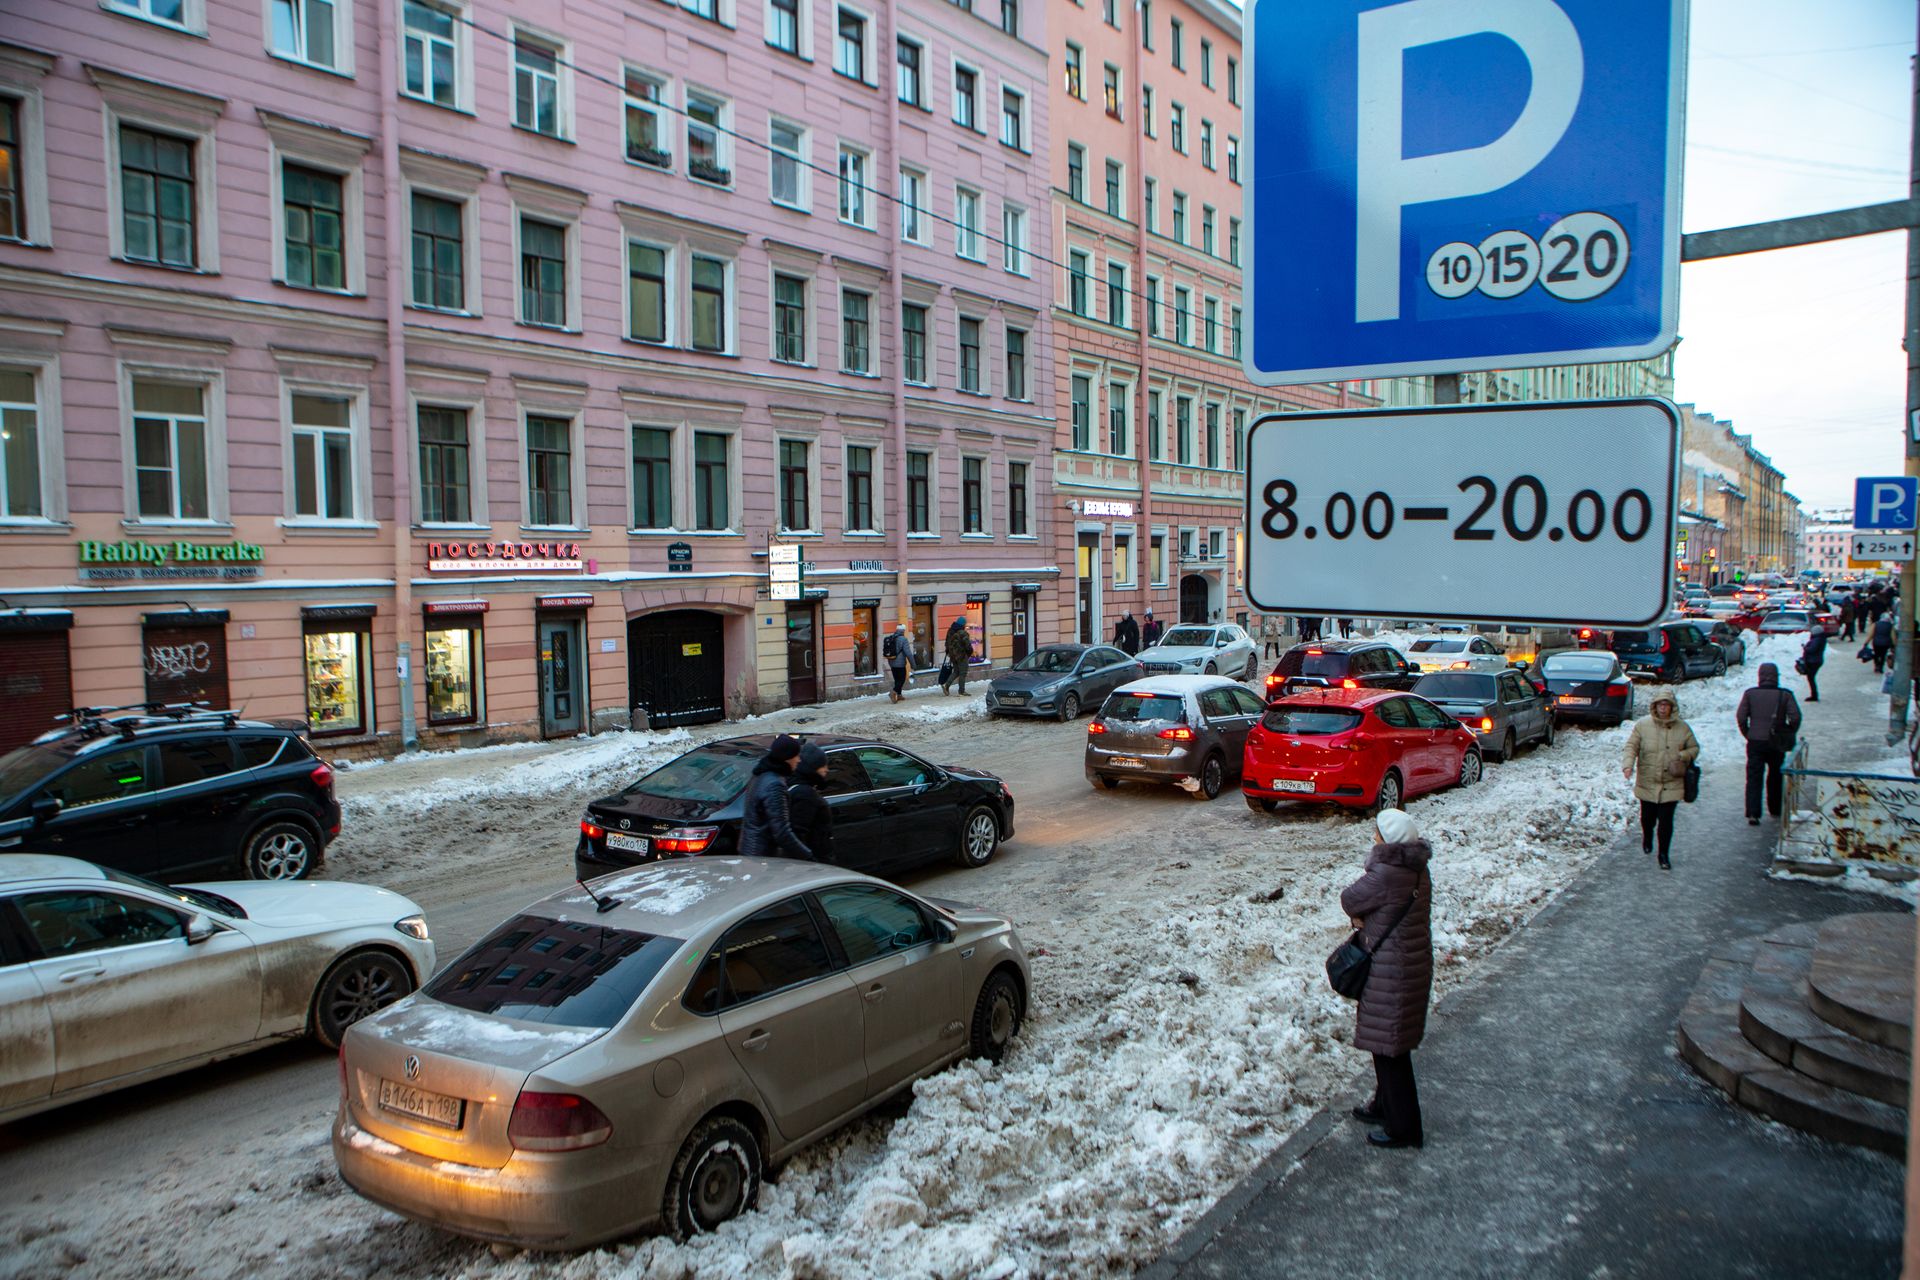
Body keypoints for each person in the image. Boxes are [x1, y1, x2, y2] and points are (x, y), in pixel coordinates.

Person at [1340, 807, 1433, 1151]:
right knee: (1390, 1046)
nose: (1374, 837)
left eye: (1377, 832)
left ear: (1387, 840)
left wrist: (1362, 918)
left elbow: (1350, 899)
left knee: (1390, 1052)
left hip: (1390, 972)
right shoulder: (1417, 870)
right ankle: (1383, 1107)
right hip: (1409, 967)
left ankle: (1403, 1128)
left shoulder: (1386, 873)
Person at [1621, 690, 1699, 870]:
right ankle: (1647, 836)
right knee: (1648, 818)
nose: (1663, 708)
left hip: (1672, 782)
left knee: (1666, 821)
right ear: (1655, 706)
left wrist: (1683, 755)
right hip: (1648, 780)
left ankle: (1664, 854)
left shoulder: (1683, 728)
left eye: (1666, 705)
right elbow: (1631, 746)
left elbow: (1694, 748)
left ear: (1672, 707)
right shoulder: (1643, 725)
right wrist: (1628, 764)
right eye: (1660, 705)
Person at [1736, 663, 1801, 827]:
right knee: (1775, 775)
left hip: (1755, 742)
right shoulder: (1784, 695)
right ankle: (1775, 808)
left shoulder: (1750, 694)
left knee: (1754, 777)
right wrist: (1787, 732)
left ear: (1759, 676)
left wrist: (1748, 733)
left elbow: (1741, 717)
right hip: (1776, 742)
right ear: (1776, 676)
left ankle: (1753, 813)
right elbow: (1795, 717)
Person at [738, 735, 811, 859]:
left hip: (753, 852)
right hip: (762, 858)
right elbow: (781, 832)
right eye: (797, 756)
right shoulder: (774, 785)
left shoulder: (762, 776)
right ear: (787, 758)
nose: (799, 760)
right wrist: (807, 856)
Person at [785, 743, 831, 862]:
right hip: (814, 862)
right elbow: (798, 832)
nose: (827, 769)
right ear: (814, 767)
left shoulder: (796, 785)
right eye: (823, 765)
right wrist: (810, 859)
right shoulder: (805, 794)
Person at [942, 616, 975, 695]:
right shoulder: (963, 633)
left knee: (956, 671)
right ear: (963, 624)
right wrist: (970, 653)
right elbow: (968, 646)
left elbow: (947, 643)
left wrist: (949, 652)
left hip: (953, 655)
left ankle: (946, 685)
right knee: (963, 673)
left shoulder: (950, 631)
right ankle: (961, 691)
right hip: (961, 655)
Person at [1798, 625, 1827, 701]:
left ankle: (1814, 695)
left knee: (1811, 678)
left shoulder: (1817, 639)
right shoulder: (1821, 639)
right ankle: (1814, 695)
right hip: (1815, 660)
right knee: (1811, 678)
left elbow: (1812, 649)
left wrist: (1805, 647)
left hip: (1813, 661)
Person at [883, 623, 910, 702]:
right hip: (900, 663)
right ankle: (893, 692)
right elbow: (908, 653)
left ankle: (899, 695)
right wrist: (913, 664)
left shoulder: (892, 637)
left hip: (891, 662)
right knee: (902, 679)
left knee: (897, 679)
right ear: (903, 631)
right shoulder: (903, 639)